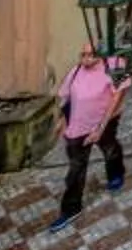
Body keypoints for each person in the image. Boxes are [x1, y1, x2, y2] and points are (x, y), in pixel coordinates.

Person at [50, 45, 126, 227]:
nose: (85, 58)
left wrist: (100, 128)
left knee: (110, 148)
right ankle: (71, 209)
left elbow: (117, 98)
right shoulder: (76, 71)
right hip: (77, 130)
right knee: (76, 169)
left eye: (90, 55)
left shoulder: (114, 66)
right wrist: (61, 121)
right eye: (82, 54)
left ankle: (116, 173)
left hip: (103, 124)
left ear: (100, 55)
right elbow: (64, 98)